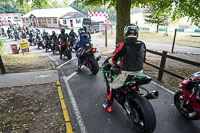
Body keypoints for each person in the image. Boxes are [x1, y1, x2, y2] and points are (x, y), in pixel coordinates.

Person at [103, 24, 146, 112]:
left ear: (125, 34)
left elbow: (114, 59)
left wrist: (111, 63)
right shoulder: (142, 44)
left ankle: (109, 105)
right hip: (139, 72)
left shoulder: (122, 45)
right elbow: (144, 59)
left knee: (112, 86)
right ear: (136, 34)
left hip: (126, 73)